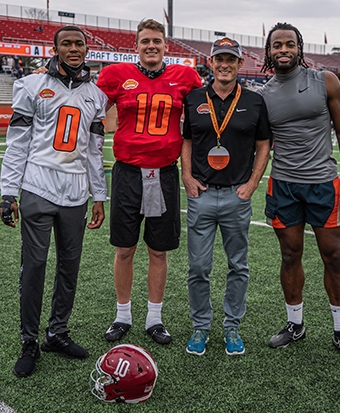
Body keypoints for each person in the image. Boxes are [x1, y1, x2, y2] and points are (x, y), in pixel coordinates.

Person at [0, 25, 108, 378]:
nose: (74, 49)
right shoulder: (31, 85)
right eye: (67, 43)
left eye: (79, 43)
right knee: (34, 267)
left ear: (87, 48)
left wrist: (99, 195)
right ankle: (29, 340)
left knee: (70, 267)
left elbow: (94, 152)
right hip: (38, 185)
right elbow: (17, 143)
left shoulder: (96, 96)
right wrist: (8, 192)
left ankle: (56, 333)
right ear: (55, 47)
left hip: (76, 192)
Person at [258, 22, 340, 361]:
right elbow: (260, 145)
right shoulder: (264, 95)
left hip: (323, 183)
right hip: (284, 185)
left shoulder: (325, 80)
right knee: (289, 255)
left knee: (334, 256)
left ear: (299, 48)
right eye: (277, 45)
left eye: (290, 44)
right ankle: (295, 324)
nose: (283, 50)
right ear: (269, 52)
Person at [96, 19, 202, 344]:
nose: (151, 46)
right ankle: (123, 315)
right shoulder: (116, 75)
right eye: (145, 41)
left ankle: (154, 319)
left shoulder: (185, 76)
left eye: (157, 40)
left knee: (158, 250)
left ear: (166, 45)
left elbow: (201, 121)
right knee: (124, 248)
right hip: (127, 173)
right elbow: (90, 110)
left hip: (165, 173)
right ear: (136, 46)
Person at [181, 38, 272, 356]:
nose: (224, 64)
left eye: (230, 60)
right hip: (202, 194)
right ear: (211, 62)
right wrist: (187, 176)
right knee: (198, 267)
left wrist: (252, 183)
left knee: (238, 266)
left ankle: (232, 327)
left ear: (238, 64)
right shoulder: (193, 98)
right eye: (219, 59)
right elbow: (188, 141)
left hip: (237, 195)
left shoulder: (254, 101)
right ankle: (200, 328)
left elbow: (264, 145)